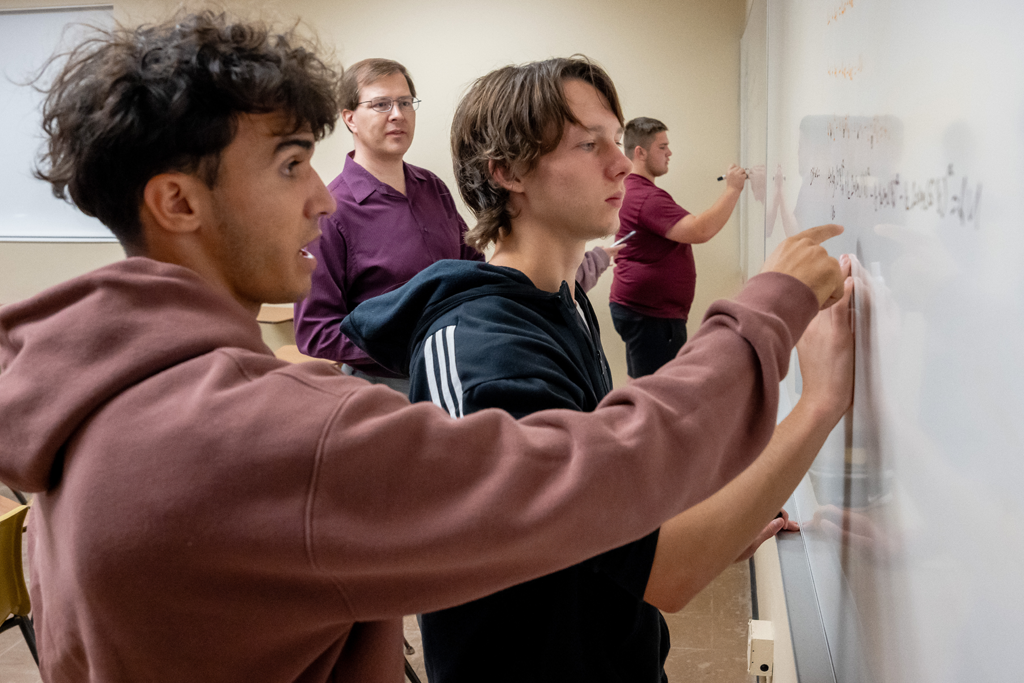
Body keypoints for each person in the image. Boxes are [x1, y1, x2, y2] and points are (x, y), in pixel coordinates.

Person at [0, 12, 849, 683]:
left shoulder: (96, 386)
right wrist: (770, 316)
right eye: (293, 165)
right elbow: (597, 474)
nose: (325, 204)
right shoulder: (262, 435)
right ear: (179, 203)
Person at [342, 58, 853, 682]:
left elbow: (616, 500)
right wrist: (820, 402)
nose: (621, 163)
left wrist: (725, 516)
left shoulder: (564, 299)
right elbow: (665, 567)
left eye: (616, 139)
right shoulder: (480, 354)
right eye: (589, 144)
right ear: (505, 172)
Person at [292, 58, 614, 391]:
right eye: (380, 104)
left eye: (405, 102)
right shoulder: (331, 212)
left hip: (463, 358)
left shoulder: (432, 187)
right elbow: (315, 332)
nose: (397, 114)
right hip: (386, 385)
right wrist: (421, 342)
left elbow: (472, 270)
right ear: (350, 119)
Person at [609, 116, 748, 378]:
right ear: (640, 152)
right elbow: (700, 230)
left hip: (640, 308)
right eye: (662, 147)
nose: (669, 152)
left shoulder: (631, 189)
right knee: (656, 393)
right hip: (651, 315)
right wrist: (733, 189)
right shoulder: (647, 198)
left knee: (644, 383)